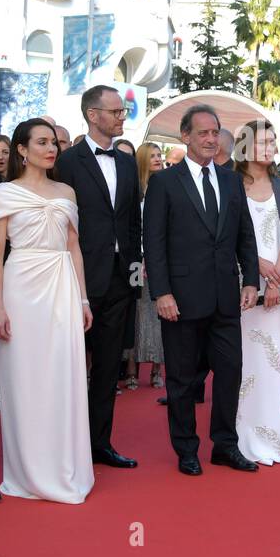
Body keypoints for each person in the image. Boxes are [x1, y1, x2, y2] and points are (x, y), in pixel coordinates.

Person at [143, 103, 260, 475]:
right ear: (186, 136)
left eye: (215, 132)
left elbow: (245, 235)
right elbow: (154, 243)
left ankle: (225, 445)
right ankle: (186, 449)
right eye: (203, 133)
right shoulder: (164, 183)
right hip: (179, 300)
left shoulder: (230, 181)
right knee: (181, 380)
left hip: (225, 298)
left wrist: (252, 279)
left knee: (230, 372)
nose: (211, 139)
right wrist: (161, 293)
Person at [0, 119, 95, 503]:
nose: (52, 149)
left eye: (54, 143)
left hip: (61, 285)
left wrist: (83, 299)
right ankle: (27, 471)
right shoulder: (4, 193)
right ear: (22, 149)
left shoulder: (66, 190)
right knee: (24, 378)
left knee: (63, 376)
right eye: (43, 142)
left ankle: (63, 466)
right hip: (20, 287)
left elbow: (74, 247)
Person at [53, 84, 141, 470]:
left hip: (121, 279)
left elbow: (132, 222)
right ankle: (61, 445)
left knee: (107, 366)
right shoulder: (67, 162)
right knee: (68, 364)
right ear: (93, 115)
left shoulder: (125, 161)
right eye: (117, 111)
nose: (123, 117)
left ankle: (99, 444)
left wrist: (135, 269)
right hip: (78, 277)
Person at [231, 119, 280, 464]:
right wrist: (256, 268)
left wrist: (276, 281)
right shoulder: (230, 184)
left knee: (276, 366)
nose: (270, 147)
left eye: (273, 141)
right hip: (240, 285)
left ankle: (274, 440)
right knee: (243, 365)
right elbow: (226, 236)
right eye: (263, 141)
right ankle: (241, 440)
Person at [127, 142, 165, 390]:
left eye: (159, 155)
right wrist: (139, 259)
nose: (158, 159)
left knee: (160, 317)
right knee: (135, 317)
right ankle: (131, 371)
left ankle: (157, 371)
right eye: (152, 156)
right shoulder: (133, 191)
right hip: (135, 263)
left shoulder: (166, 187)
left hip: (160, 261)